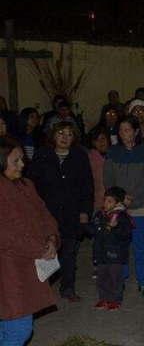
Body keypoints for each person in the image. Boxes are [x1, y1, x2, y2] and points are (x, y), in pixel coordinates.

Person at [0, 138, 60, 346]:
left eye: (22, 160)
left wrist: (52, 238)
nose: (22, 165)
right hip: (8, 270)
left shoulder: (26, 185)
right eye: (16, 161)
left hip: (29, 263)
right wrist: (38, 248)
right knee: (19, 329)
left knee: (11, 327)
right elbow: (5, 235)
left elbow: (44, 214)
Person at [27, 121, 94, 302]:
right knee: (46, 253)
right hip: (47, 213)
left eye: (69, 134)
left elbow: (87, 187)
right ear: (53, 135)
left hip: (72, 213)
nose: (64, 137)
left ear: (74, 138)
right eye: (61, 133)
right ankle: (42, 291)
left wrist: (85, 211)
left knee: (69, 252)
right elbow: (31, 185)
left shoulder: (80, 156)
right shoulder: (42, 155)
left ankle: (68, 288)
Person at [103, 116, 144, 299]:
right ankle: (121, 280)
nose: (123, 134)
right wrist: (119, 199)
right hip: (120, 209)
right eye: (121, 130)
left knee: (142, 246)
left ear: (136, 131)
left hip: (143, 206)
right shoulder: (113, 153)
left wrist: (136, 197)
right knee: (121, 247)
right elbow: (108, 181)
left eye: (127, 130)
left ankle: (143, 282)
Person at [90, 186, 133, 311]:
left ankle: (115, 299)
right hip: (101, 252)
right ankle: (103, 298)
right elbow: (95, 231)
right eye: (105, 200)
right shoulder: (100, 214)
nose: (106, 204)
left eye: (109, 201)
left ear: (118, 203)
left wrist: (116, 227)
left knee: (115, 278)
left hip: (116, 254)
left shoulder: (121, 216)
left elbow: (126, 234)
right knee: (102, 277)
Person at [88, 126, 110, 211]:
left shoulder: (114, 156)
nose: (101, 142)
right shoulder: (90, 159)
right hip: (97, 205)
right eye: (97, 140)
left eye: (103, 138)